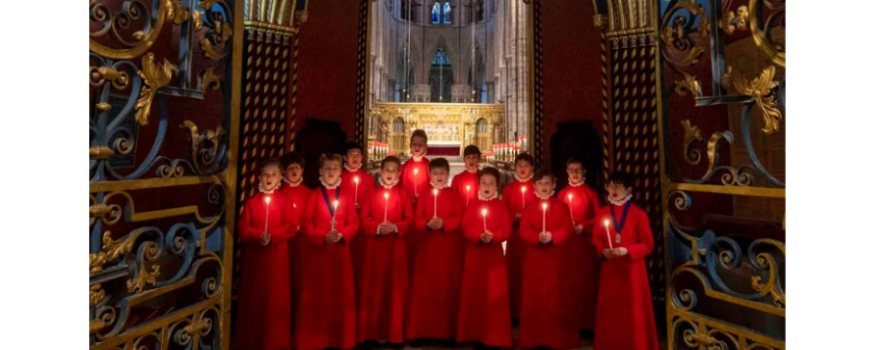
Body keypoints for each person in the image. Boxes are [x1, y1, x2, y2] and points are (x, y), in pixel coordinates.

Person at [295, 154, 359, 350]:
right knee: (317, 296)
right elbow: (306, 223)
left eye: (335, 168)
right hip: (319, 255)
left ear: (341, 172)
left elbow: (354, 223)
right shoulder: (314, 196)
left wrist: (342, 235)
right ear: (321, 171)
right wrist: (322, 236)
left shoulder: (346, 196)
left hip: (340, 254)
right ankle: (315, 340)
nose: (331, 172)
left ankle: (339, 339)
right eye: (328, 168)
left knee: (339, 296)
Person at [235, 158, 298, 350]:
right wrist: (257, 236)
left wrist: (272, 237)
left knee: (276, 301)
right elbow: (243, 228)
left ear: (280, 177)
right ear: (259, 178)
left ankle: (276, 341)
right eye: (265, 175)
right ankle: (252, 340)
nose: (269, 178)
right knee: (255, 300)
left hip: (277, 257)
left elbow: (291, 226)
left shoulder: (286, 201)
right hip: (256, 259)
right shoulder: (252, 202)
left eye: (273, 175)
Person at [592, 171, 659, 350]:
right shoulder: (602, 213)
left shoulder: (638, 214)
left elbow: (648, 244)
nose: (612, 189)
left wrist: (627, 250)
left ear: (628, 189)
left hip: (633, 272)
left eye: (617, 186)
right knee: (611, 312)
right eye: (610, 186)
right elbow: (596, 238)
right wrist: (602, 250)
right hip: (611, 271)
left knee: (633, 312)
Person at [518, 170, 580, 349]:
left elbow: (567, 229)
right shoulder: (529, 207)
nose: (544, 187)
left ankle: (557, 340)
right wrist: (537, 237)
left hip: (555, 260)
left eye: (547, 184)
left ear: (553, 185)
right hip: (535, 259)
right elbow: (524, 230)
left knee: (556, 298)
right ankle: (534, 339)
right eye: (540, 184)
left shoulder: (561, 207)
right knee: (534, 298)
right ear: (534, 186)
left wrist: (552, 236)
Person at [407, 158, 466, 343]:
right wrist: (426, 223)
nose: (439, 176)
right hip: (428, 248)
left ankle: (447, 332)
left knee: (447, 289)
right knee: (425, 289)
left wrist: (445, 223)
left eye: (442, 173)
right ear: (430, 175)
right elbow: (416, 221)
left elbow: (460, 219)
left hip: (449, 249)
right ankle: (422, 331)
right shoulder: (424, 195)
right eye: (435, 173)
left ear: (448, 175)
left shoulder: (455, 195)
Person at [356, 156, 414, 345]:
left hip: (396, 248)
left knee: (395, 291)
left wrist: (396, 227)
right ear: (381, 172)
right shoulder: (371, 194)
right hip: (375, 247)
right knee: (373, 290)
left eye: (393, 170)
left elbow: (410, 220)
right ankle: (370, 333)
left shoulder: (403, 195)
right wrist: (377, 227)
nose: (389, 173)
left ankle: (395, 334)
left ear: (399, 173)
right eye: (386, 170)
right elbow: (363, 219)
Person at [456, 167, 513, 348]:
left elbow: (506, 228)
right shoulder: (472, 206)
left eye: (491, 183)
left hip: (494, 257)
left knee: (494, 295)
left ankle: (495, 336)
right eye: (484, 183)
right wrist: (478, 236)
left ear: (497, 186)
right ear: (478, 185)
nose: (487, 186)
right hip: (475, 255)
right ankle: (473, 333)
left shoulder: (501, 207)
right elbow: (466, 227)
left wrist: (494, 236)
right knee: (475, 294)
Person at [556, 158, 601, 332]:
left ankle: (587, 323)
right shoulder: (562, 194)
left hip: (584, 246)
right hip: (567, 245)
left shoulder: (591, 193)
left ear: (584, 172)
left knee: (586, 283)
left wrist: (584, 226)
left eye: (578, 170)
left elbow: (599, 217)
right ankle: (569, 321)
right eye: (571, 170)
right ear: (567, 171)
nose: (574, 174)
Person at [278, 152, 312, 334]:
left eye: (296, 168)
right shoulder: (278, 193)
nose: (293, 171)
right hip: (282, 247)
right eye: (290, 168)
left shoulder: (310, 194)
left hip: (305, 247)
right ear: (283, 172)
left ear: (302, 171)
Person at [501, 152, 535, 319]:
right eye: (519, 166)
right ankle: (514, 311)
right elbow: (502, 211)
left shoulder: (537, 187)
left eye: (526, 166)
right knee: (514, 273)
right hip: (514, 236)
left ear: (531, 168)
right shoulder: (508, 189)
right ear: (514, 167)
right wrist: (512, 216)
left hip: (532, 240)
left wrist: (528, 218)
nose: (522, 169)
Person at [340, 141, 375, 290]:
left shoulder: (367, 178)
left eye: (358, 155)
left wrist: (362, 207)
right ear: (344, 158)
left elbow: (372, 200)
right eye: (351, 155)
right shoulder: (339, 177)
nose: (355, 158)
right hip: (343, 225)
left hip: (361, 226)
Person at [399, 129, 430, 274]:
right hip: (407, 216)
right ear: (410, 145)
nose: (417, 147)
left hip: (425, 217)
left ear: (426, 147)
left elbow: (434, 191)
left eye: (420, 144)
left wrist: (422, 200)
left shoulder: (431, 167)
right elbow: (398, 191)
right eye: (414, 144)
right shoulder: (403, 168)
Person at [450, 145, 481, 209]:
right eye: (468, 157)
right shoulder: (457, 179)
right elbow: (453, 199)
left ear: (479, 159)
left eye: (474, 157)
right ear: (464, 159)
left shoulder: (484, 177)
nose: (471, 160)